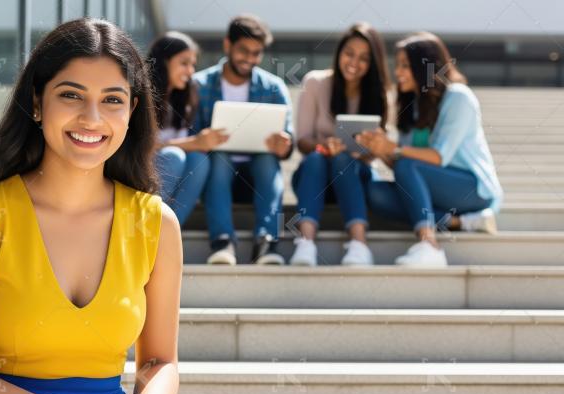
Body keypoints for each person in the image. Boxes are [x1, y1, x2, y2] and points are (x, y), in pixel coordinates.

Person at [0, 18, 184, 394]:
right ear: (36, 102)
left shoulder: (157, 224)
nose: (92, 118)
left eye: (112, 99)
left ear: (132, 110)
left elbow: (160, 361)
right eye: (71, 95)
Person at [358, 32, 503, 267]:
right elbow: (404, 169)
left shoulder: (458, 97)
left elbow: (438, 156)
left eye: (405, 66)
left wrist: (393, 148)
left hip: (472, 188)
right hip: (434, 187)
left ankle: (430, 246)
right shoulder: (412, 106)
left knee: (407, 162)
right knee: (375, 193)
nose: (398, 73)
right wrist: (380, 150)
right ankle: (460, 222)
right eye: (398, 66)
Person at [193, 14, 294, 265]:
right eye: (243, 51)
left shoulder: (274, 87)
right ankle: (223, 242)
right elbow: (190, 137)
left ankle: (266, 244)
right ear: (228, 45)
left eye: (256, 53)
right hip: (217, 179)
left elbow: (289, 139)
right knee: (219, 157)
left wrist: (284, 144)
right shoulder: (200, 85)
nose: (249, 59)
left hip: (256, 180)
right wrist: (203, 140)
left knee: (267, 160)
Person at [289, 22, 391, 266]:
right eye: (349, 54)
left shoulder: (378, 94)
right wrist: (325, 148)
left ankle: (359, 244)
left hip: (354, 177)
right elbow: (302, 141)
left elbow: (373, 155)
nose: (354, 63)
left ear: (373, 63)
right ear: (339, 54)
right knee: (316, 157)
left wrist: (360, 148)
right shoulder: (315, 83)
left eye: (364, 58)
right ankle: (305, 243)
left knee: (344, 159)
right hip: (314, 178)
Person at [148, 31, 228, 224]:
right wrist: (195, 141)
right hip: (140, 169)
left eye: (193, 64)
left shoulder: (184, 99)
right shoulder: (141, 95)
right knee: (174, 157)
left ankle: (169, 232)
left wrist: (200, 143)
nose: (191, 71)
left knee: (199, 160)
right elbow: (141, 145)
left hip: (168, 170)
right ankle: (145, 225)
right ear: (163, 61)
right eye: (184, 63)